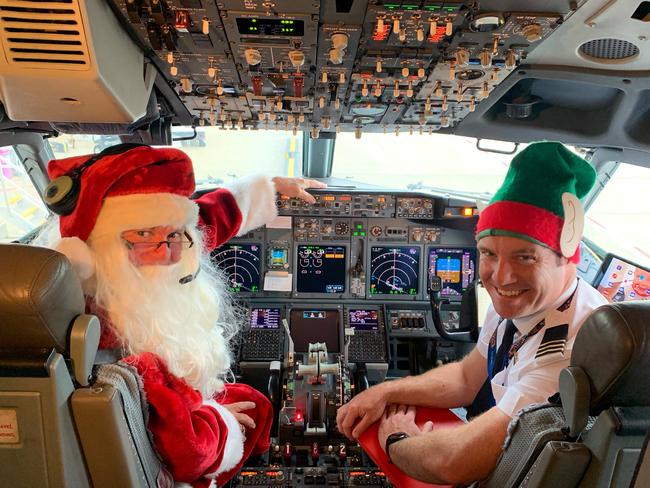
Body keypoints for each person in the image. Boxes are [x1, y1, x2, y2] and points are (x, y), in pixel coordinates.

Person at [44, 144, 325, 487]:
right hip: (170, 458)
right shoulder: (104, 339)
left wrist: (268, 189)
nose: (168, 254)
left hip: (180, 405)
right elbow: (188, 450)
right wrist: (219, 420)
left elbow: (204, 221)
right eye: (145, 234)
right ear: (100, 249)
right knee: (256, 406)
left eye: (174, 234)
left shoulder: (125, 275)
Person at [336, 142, 608, 485]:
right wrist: (384, 392)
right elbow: (467, 379)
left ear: (567, 256)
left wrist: (395, 440)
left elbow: (456, 462)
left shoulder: (573, 345)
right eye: (489, 253)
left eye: (525, 257)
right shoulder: (519, 305)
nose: (501, 276)